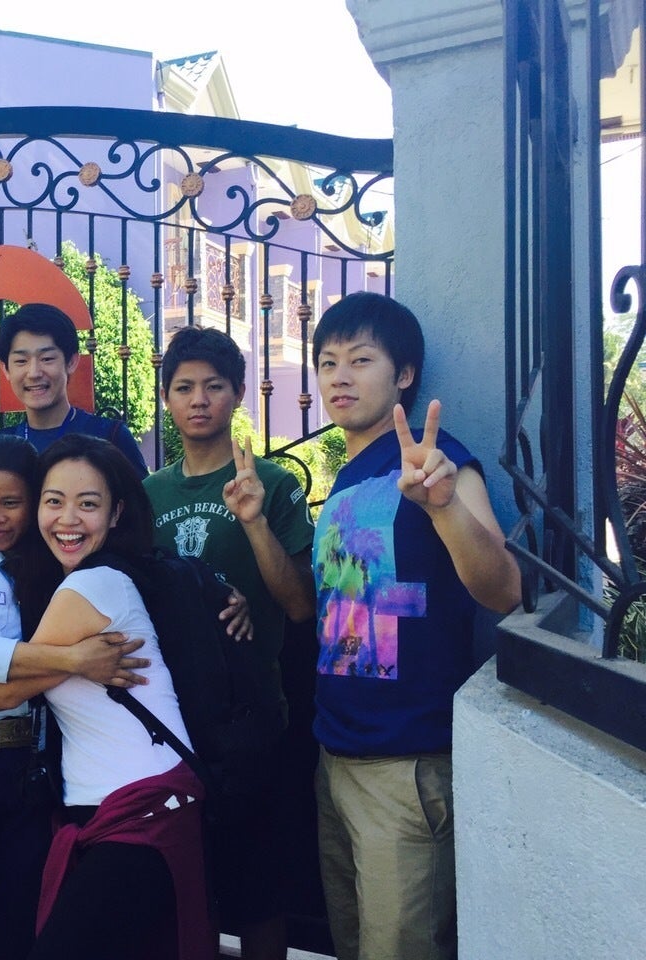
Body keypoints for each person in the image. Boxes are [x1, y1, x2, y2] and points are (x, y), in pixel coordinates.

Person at [0, 434, 213, 960]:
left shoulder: (89, 586)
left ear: (116, 513)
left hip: (137, 808)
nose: (67, 519)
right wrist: (72, 660)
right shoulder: (65, 575)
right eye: (55, 501)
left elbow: (7, 689)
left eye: (87, 504)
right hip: (113, 804)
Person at [310, 293, 521, 960]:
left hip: (407, 765)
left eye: (360, 360)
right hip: (335, 755)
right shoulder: (346, 479)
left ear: (404, 374)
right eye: (327, 363)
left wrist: (443, 506)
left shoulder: (439, 463)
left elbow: (505, 589)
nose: (339, 377)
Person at [143, 325, 316, 960]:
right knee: (183, 886)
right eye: (184, 387)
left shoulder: (272, 483)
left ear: (239, 393)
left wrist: (254, 522)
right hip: (168, 720)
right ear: (166, 397)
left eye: (213, 386)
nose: (199, 400)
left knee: (258, 891)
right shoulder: (149, 493)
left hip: (250, 719)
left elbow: (299, 604)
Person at [0, 303, 149, 515]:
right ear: (6, 369)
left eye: (47, 359)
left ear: (71, 362)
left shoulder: (111, 436)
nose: (34, 372)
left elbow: (142, 516)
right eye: (21, 361)